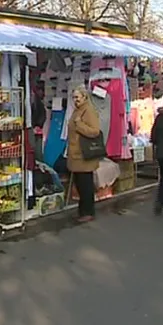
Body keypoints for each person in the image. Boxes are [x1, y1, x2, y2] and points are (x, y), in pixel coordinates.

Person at [66, 85, 102, 223]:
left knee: (85, 185)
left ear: (84, 96)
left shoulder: (89, 111)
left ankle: (88, 212)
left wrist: (79, 124)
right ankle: (82, 211)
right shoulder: (78, 110)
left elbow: (95, 131)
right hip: (76, 154)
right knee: (80, 184)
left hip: (84, 155)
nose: (75, 100)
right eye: (73, 97)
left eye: (77, 97)